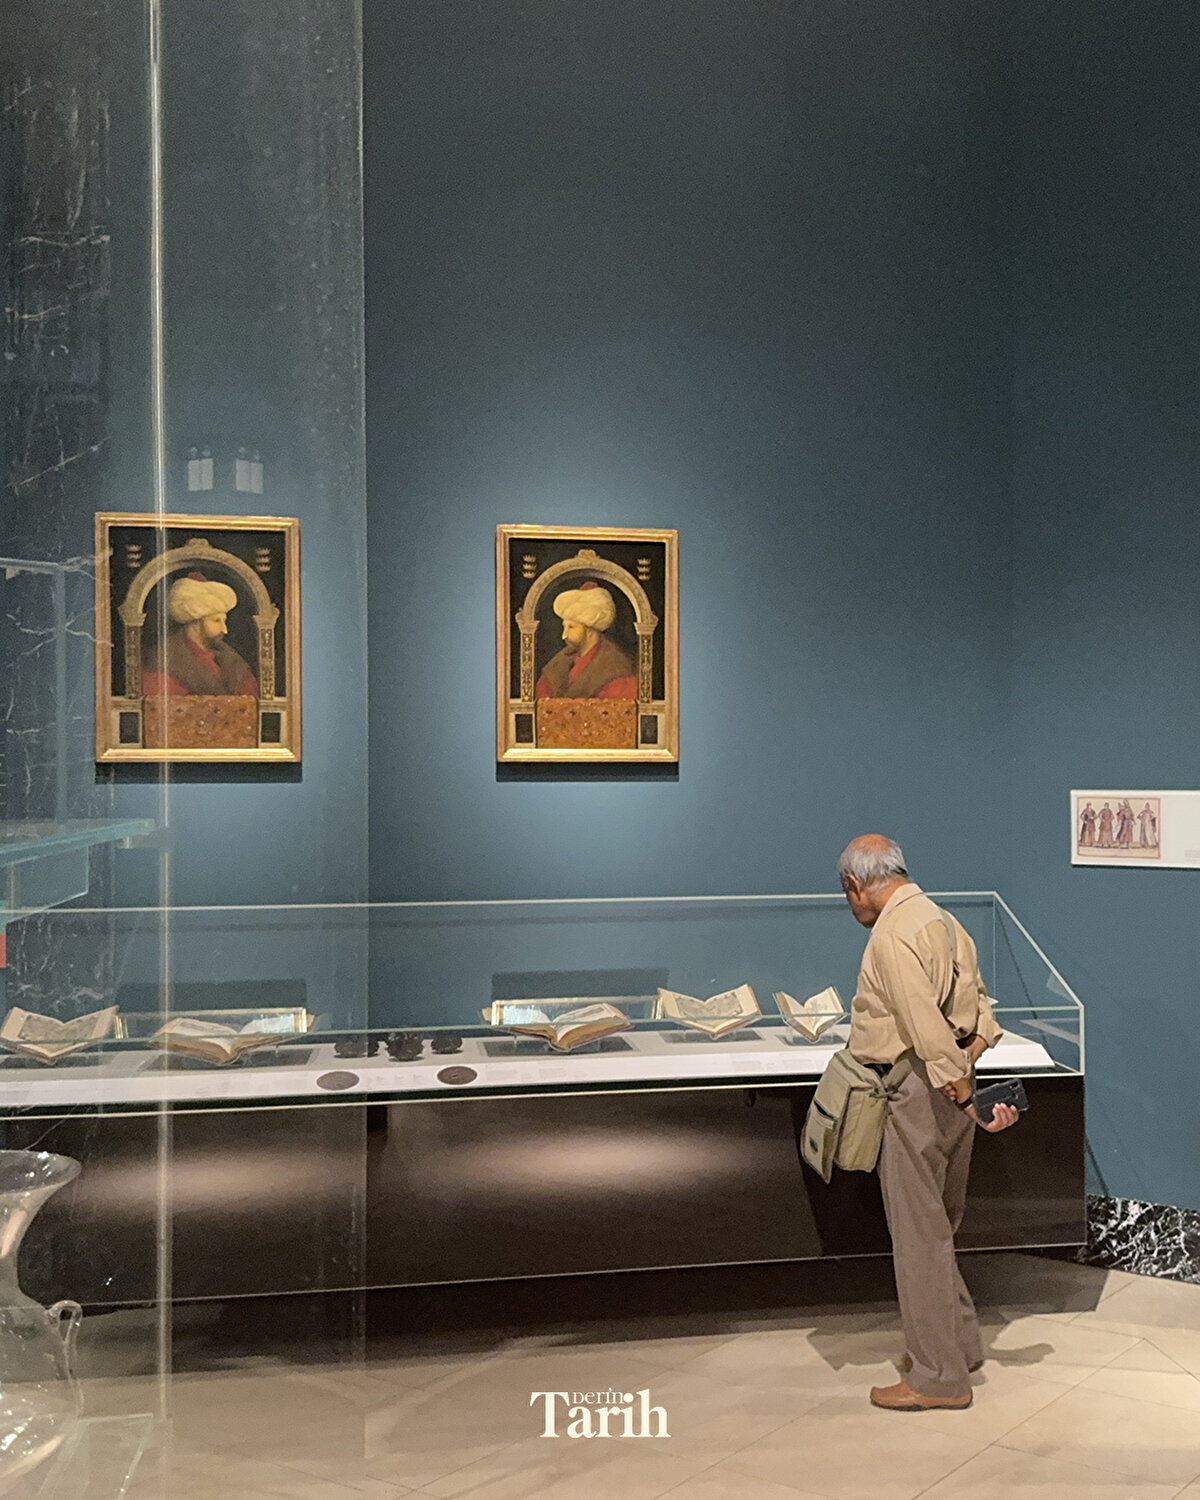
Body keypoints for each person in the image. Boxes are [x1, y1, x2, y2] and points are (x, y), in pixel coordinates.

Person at [837, 834, 1019, 1413]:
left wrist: (960, 1092)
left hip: (918, 1088)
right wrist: (969, 1066)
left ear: (856, 885)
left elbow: (920, 1023)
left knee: (918, 1237)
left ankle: (938, 1378)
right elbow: (982, 1008)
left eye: (847, 893)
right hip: (951, 1081)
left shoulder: (893, 932)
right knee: (939, 1226)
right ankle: (960, 1347)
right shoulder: (944, 921)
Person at [142, 573, 258, 697]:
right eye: (216, 621)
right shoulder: (164, 658)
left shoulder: (228, 657)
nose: (224, 630)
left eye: (224, 621)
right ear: (196, 622)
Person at [535, 582, 638, 700]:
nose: (564, 635)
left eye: (571, 627)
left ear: (589, 630)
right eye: (564, 627)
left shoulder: (616, 666)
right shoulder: (560, 661)